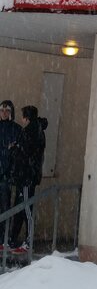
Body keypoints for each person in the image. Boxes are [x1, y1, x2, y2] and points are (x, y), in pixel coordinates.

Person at [8, 105, 47, 252]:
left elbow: (27, 154)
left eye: (23, 116)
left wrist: (15, 149)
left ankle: (28, 241)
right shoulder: (34, 131)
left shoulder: (32, 132)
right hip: (25, 176)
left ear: (27, 118)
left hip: (26, 177)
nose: (22, 119)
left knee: (26, 209)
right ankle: (12, 240)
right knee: (20, 209)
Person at [0, 100, 21, 217]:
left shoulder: (16, 129)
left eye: (7, 111)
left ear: (11, 112)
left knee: (5, 206)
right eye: (1, 110)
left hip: (7, 174)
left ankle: (4, 229)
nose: (4, 113)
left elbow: (19, 150)